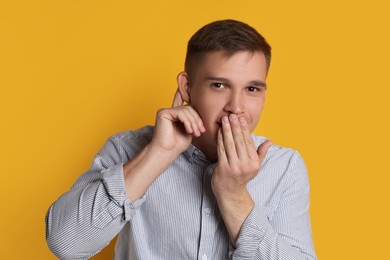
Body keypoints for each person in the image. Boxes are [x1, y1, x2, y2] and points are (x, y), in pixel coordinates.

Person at [46, 19, 317, 260]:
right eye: (219, 85)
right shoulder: (128, 149)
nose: (236, 106)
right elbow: (66, 244)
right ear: (187, 87)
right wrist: (159, 154)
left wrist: (234, 196)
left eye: (252, 89)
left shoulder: (284, 167)